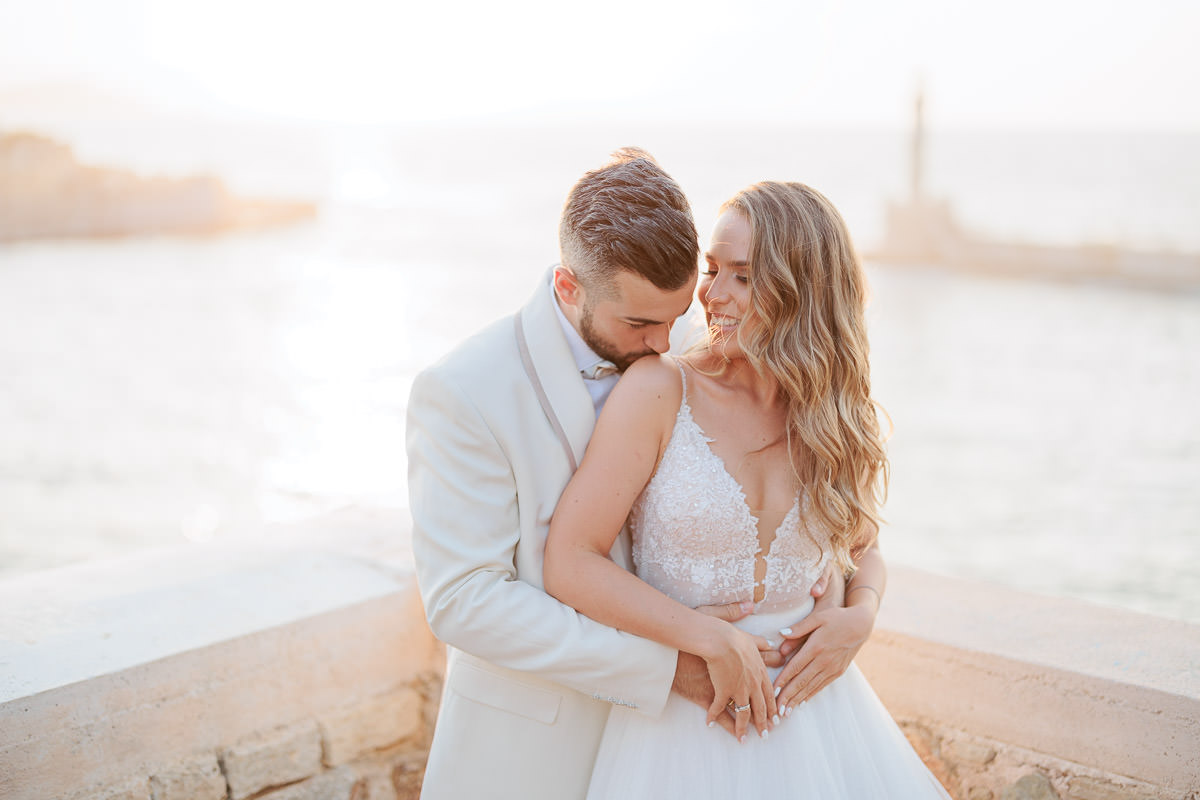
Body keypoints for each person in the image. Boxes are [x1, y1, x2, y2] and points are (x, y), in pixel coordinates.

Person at [406, 153, 875, 800]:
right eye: (642, 325)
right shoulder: (465, 391)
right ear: (570, 289)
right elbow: (466, 601)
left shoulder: (685, 337)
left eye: (682, 309)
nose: (668, 341)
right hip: (537, 744)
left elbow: (851, 532)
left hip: (722, 737)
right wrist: (670, 664)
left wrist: (860, 610)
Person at [543, 181, 951, 797]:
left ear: (803, 291)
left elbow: (862, 547)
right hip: (682, 732)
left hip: (822, 731)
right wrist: (703, 636)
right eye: (712, 269)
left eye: (742, 275)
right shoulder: (660, 391)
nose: (710, 294)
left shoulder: (835, 417)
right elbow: (570, 561)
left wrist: (860, 615)